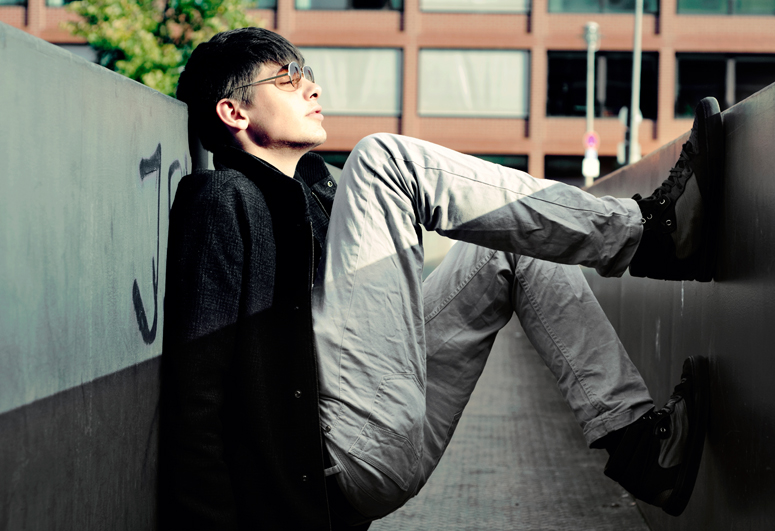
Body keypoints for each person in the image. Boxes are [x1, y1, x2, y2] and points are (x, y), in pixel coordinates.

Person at [159, 27, 720, 530]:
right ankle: (651, 234)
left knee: (514, 245)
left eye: (307, 74)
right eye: (287, 78)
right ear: (234, 112)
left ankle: (639, 446)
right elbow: (196, 394)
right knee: (381, 159)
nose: (312, 88)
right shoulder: (221, 199)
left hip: (379, 432)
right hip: (331, 458)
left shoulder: (315, 196)